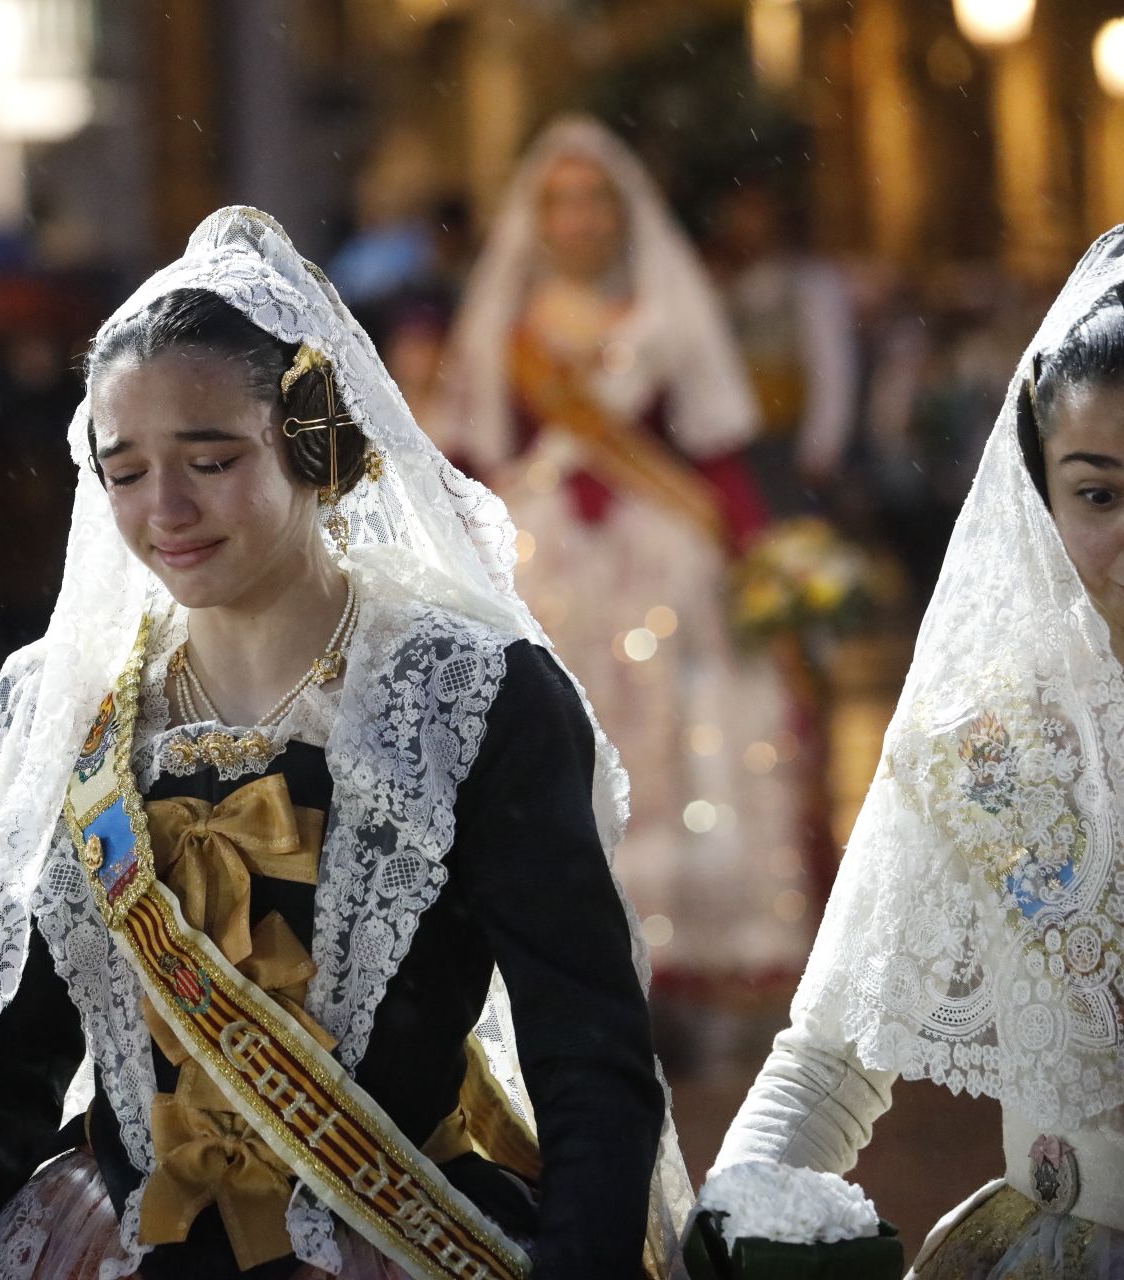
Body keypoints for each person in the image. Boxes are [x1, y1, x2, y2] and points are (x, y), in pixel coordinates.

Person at [0, 207, 690, 1280]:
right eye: (125, 470)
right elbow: (8, 1059)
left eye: (211, 458)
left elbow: (587, 1052)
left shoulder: (468, 696)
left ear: (316, 442)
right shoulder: (63, 699)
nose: (164, 509)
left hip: (394, 1238)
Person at [714, 227, 1124, 1273]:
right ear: (1040, 497)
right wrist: (740, 1216)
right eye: (1099, 492)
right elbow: (827, 1064)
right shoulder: (984, 755)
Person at [433, 117, 808, 992]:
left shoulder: (667, 318)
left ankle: (676, 932)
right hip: (540, 540)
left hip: (656, 549)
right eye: (559, 202)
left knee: (682, 700)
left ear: (623, 212)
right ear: (536, 216)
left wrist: (763, 562)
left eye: (594, 200)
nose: (578, 219)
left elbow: (711, 453)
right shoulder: (505, 328)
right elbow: (470, 456)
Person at [707, 180, 860, 516]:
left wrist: (821, 445)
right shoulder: (718, 284)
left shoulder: (809, 282)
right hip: (736, 440)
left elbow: (832, 368)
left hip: (788, 439)